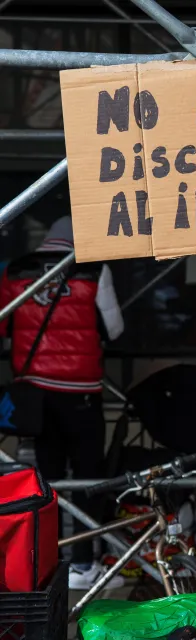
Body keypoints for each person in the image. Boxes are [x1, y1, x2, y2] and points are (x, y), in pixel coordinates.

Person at [0, 217, 125, 591]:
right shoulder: (94, 269)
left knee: (46, 480)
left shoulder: (16, 270)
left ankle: (46, 562)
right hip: (81, 392)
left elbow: (4, 328)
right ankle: (84, 564)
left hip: (35, 393)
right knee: (89, 479)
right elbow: (115, 329)